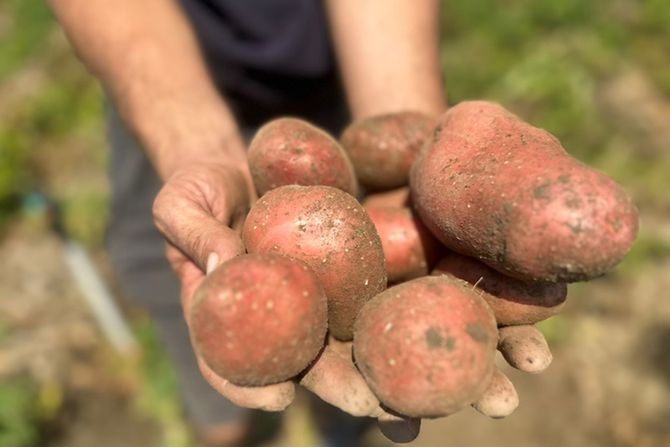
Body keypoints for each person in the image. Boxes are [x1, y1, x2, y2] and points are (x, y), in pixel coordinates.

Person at [48, 1, 551, 445]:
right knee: (186, 298)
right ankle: (222, 431)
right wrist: (192, 146)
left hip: (335, 68)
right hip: (159, 75)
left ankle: (338, 429)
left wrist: (410, 135)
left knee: (349, 398)